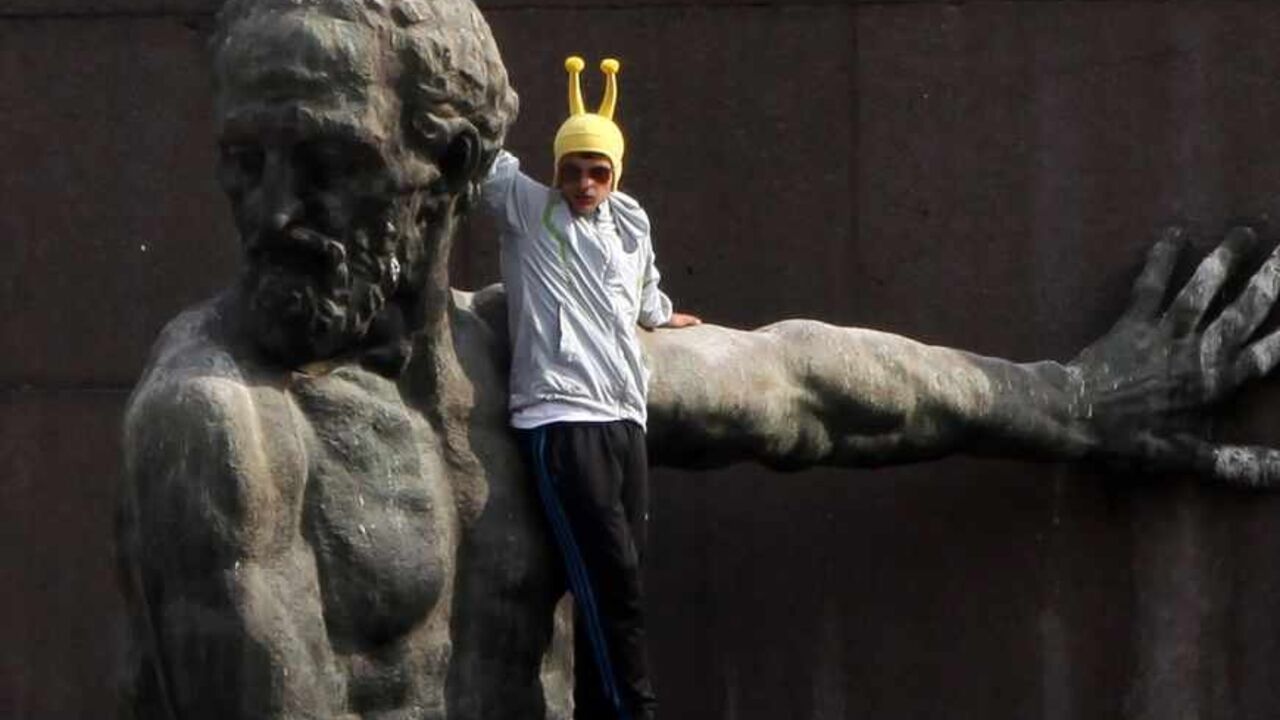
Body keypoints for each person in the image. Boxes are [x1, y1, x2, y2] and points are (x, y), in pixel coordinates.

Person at [118, 1, 1280, 719]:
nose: (273, 210)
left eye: (325, 160)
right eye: (244, 160)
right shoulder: (218, 424)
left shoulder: (522, 355)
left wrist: (1076, 401)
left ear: (456, 169)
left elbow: (804, 390)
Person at [480, 56, 699, 720]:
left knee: (621, 579)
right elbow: (480, 143)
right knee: (611, 586)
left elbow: (644, 295)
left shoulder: (629, 224)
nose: (583, 182)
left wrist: (664, 317)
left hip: (623, 422)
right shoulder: (527, 209)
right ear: (555, 170)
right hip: (559, 421)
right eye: (572, 169)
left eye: (597, 171)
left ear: (615, 174)